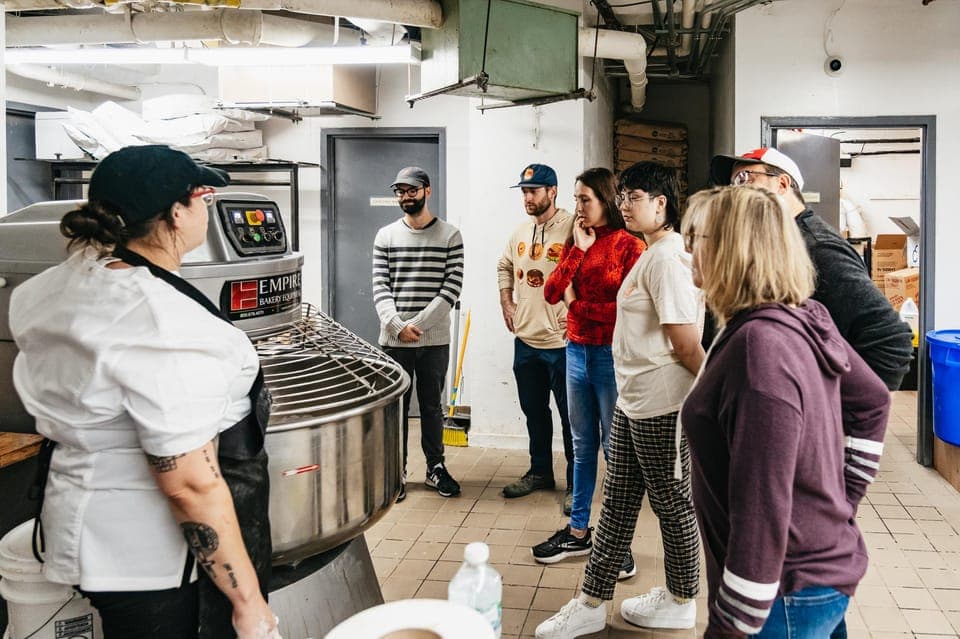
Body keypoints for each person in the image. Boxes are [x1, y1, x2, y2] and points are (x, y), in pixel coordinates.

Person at [10, 145, 279, 639]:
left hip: (77, 523)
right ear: (177, 213)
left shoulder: (46, 290)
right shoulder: (163, 324)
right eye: (202, 199)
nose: (206, 210)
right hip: (154, 560)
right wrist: (248, 602)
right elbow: (189, 485)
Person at [680, 186, 891, 638]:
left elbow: (762, 508)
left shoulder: (760, 350)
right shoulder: (799, 314)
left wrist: (729, 627)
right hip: (815, 570)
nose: (687, 250)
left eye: (695, 238)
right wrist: (834, 508)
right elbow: (872, 400)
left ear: (730, 248)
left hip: (786, 590)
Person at [536, 162, 704, 639]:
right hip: (633, 400)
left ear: (661, 204)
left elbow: (685, 343)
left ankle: (681, 598)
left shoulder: (667, 257)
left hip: (661, 402)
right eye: (623, 195)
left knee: (673, 504)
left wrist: (716, 398)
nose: (625, 204)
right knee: (619, 502)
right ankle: (591, 601)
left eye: (634, 197)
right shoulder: (651, 253)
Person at [710, 147, 913, 390]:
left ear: (782, 184)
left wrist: (834, 409)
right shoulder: (782, 243)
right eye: (733, 184)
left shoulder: (817, 249)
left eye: (744, 179)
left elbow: (891, 341)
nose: (736, 193)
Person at [531, 167, 644, 578]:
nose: (577, 207)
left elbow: (629, 309)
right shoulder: (577, 239)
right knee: (582, 447)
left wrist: (577, 306)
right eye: (576, 199)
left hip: (612, 356)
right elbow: (549, 291)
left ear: (606, 201)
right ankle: (578, 532)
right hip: (576, 352)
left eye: (585, 200)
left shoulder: (631, 247)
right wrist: (577, 249)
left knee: (617, 452)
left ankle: (619, 544)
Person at [373, 166, 464, 501]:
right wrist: (397, 325)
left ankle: (435, 468)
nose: (405, 197)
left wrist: (419, 326)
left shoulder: (450, 236)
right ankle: (397, 473)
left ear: (427, 191)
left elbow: (451, 288)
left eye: (411, 190)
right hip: (394, 340)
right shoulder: (385, 236)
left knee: (431, 407)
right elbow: (380, 287)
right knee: (395, 409)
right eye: (400, 191)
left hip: (434, 340)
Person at [496, 163, 576, 510]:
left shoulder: (574, 227)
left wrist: (577, 313)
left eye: (534, 191)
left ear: (552, 192)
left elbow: (592, 270)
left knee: (573, 419)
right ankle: (540, 471)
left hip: (563, 346)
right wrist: (506, 301)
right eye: (525, 192)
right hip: (526, 342)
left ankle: (577, 485)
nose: (527, 198)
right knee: (535, 412)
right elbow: (504, 265)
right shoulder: (520, 232)